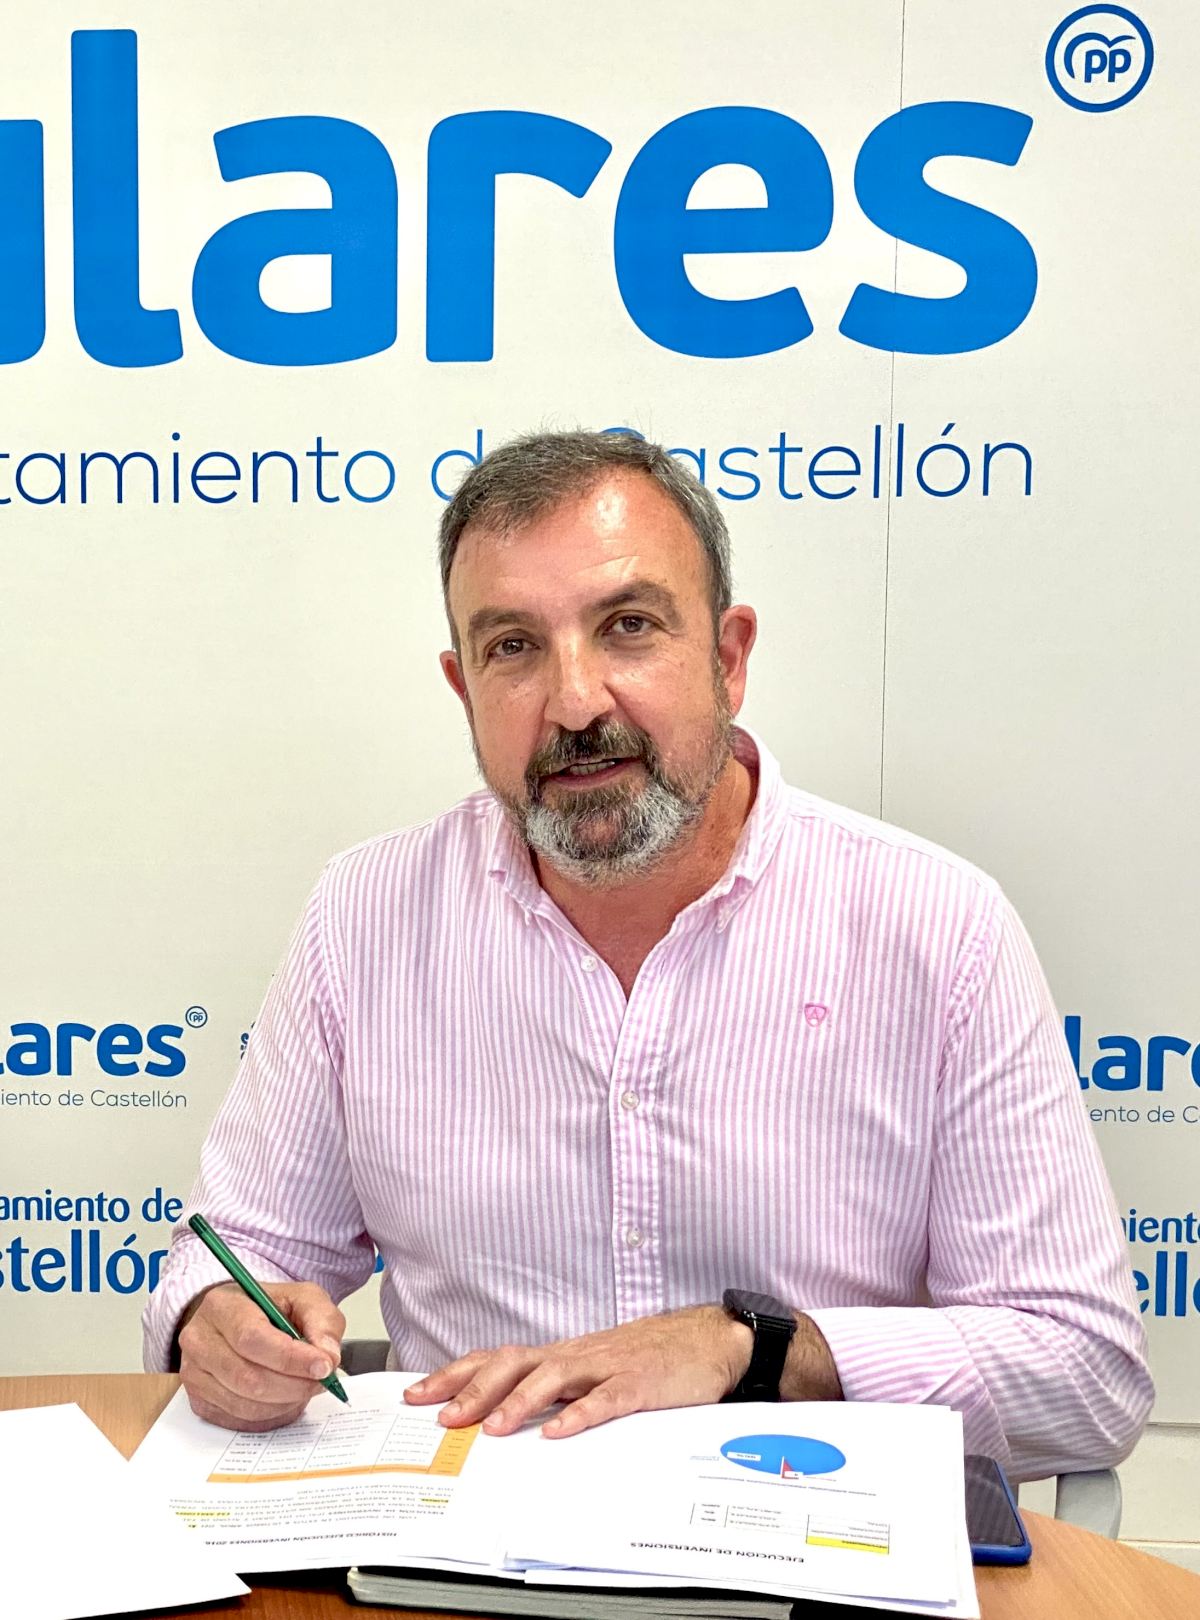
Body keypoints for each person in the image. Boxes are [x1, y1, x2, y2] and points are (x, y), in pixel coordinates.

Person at [143, 430, 1151, 1482]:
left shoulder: (938, 927)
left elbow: (1086, 1375)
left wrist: (752, 1348)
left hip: (801, 1530)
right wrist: (219, 1324)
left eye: (628, 627)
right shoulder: (364, 917)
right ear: (464, 688)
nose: (575, 702)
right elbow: (234, 1259)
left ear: (728, 658)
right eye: (513, 647)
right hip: (460, 1537)